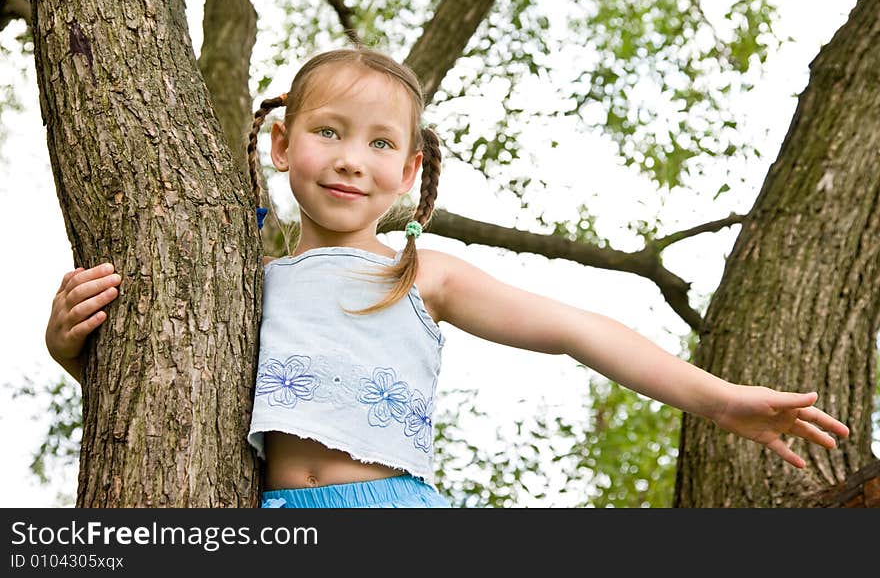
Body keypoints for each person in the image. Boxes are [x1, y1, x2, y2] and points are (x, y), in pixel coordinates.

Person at [45, 46, 850, 509]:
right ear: (284, 145)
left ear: (408, 172)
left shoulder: (422, 274)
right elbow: (165, 391)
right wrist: (70, 350)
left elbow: (578, 330)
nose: (352, 158)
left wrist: (718, 399)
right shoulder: (237, 288)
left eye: (380, 144)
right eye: (330, 132)